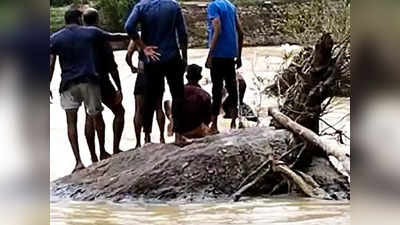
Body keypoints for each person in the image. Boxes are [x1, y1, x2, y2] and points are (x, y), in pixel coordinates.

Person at [50, 8, 128, 173]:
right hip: (88, 81)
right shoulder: (90, 32)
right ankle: (101, 152)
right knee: (95, 117)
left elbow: (51, 63)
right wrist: (135, 35)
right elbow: (115, 37)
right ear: (79, 19)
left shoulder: (55, 38)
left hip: (67, 84)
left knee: (71, 123)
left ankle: (78, 161)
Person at [125, 0, 191, 146]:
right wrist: (184, 57)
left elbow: (129, 27)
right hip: (172, 56)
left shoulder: (142, 6)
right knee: (178, 96)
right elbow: (182, 34)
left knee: (149, 98)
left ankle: (147, 137)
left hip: (152, 60)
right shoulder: (173, 6)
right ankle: (178, 135)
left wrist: (143, 47)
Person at [82, 8, 125, 163]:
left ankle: (95, 155)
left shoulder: (78, 38)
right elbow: (112, 66)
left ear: (83, 21)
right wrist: (119, 87)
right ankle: (113, 148)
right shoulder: (100, 37)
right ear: (97, 20)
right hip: (102, 80)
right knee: (119, 111)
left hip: (85, 81)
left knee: (90, 116)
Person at [205, 0, 244, 133]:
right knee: (232, 88)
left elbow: (217, 29)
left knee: (216, 89)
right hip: (230, 54)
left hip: (218, 55)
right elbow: (241, 31)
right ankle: (234, 122)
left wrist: (210, 55)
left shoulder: (213, 6)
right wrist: (239, 55)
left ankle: (214, 125)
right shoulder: (231, 6)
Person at [126, 40, 166, 148]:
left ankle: (139, 141)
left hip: (142, 74)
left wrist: (132, 67)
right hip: (157, 74)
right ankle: (162, 137)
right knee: (158, 107)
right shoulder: (159, 34)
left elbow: (128, 55)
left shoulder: (138, 37)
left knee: (139, 109)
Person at [164, 64, 212, 138]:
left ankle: (174, 130)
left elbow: (172, 108)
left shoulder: (178, 92)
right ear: (200, 77)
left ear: (186, 77)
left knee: (168, 103)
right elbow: (208, 119)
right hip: (197, 130)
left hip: (181, 131)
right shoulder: (205, 95)